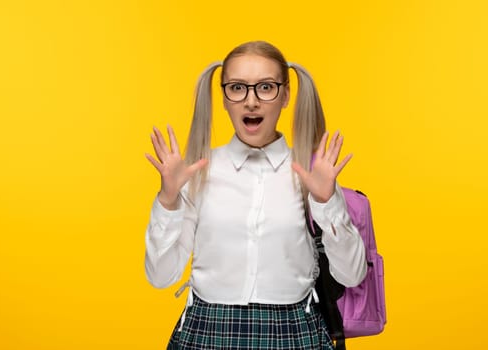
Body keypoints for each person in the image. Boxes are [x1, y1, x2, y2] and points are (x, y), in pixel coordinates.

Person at [144, 40, 367, 350]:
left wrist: (327, 202)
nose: (251, 101)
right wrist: (168, 201)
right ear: (224, 97)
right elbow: (160, 276)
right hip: (208, 331)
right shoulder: (198, 172)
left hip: (293, 333)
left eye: (265, 87)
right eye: (237, 88)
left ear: (286, 94)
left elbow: (352, 275)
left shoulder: (310, 174)